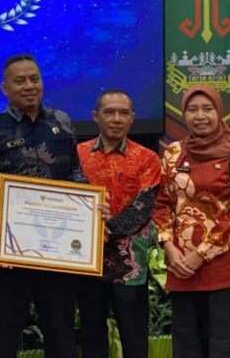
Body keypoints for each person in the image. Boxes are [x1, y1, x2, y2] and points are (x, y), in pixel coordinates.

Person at [0, 54, 86, 358]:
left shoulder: (62, 122)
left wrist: (89, 209)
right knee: (5, 332)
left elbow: (75, 172)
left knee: (61, 330)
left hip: (57, 248)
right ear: (4, 88)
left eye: (34, 78)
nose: (29, 86)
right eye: (20, 81)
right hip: (9, 249)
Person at [153, 85, 230, 358]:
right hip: (181, 266)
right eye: (193, 109)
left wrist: (201, 254)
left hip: (223, 268)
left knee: (221, 343)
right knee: (186, 341)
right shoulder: (173, 153)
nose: (200, 116)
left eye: (207, 109)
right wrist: (169, 247)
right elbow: (162, 203)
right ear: (184, 114)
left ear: (219, 112)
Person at [76, 90, 161, 358]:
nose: (116, 119)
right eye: (109, 112)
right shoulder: (77, 154)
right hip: (87, 259)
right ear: (95, 116)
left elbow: (142, 208)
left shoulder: (147, 158)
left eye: (123, 113)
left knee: (134, 334)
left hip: (130, 264)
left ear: (132, 118)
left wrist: (105, 229)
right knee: (91, 334)